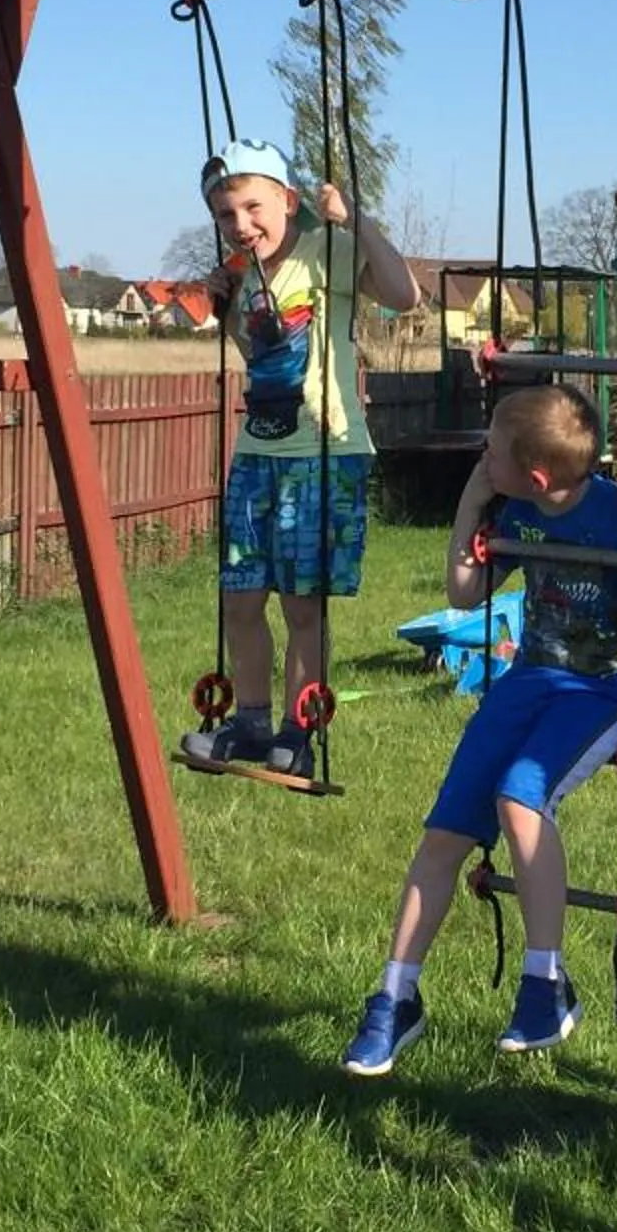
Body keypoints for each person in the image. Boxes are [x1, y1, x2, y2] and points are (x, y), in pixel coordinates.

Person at [341, 381, 617, 1073]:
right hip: (530, 679)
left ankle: (546, 983)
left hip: (608, 688)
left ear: (535, 474)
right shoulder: (515, 509)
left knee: (519, 796)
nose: (481, 453)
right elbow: (464, 593)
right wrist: (471, 506)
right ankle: (396, 996)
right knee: (445, 832)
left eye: (490, 450)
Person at [178, 139, 418, 776]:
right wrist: (225, 298)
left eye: (253, 207)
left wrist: (355, 219)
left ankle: (296, 731)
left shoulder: (326, 254)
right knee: (240, 599)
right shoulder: (238, 277)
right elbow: (257, 361)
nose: (241, 225)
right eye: (226, 216)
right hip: (258, 452)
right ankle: (249, 721)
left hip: (324, 451)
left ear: (286, 200)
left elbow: (404, 294)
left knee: (301, 605)